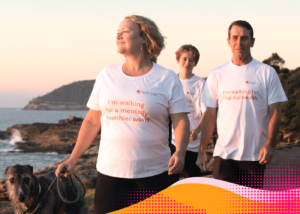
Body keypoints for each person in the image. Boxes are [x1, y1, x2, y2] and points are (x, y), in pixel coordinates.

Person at [55, 15, 190, 214]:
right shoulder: (107, 74)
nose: (118, 35)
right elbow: (92, 120)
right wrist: (73, 158)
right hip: (111, 174)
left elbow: (180, 121)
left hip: (154, 173)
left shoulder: (166, 78)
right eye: (117, 32)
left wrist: (180, 151)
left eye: (125, 31)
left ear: (144, 38)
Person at [196, 20, 287, 189]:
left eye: (244, 38)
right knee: (223, 205)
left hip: (254, 156)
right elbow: (210, 115)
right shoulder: (217, 75)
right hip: (224, 155)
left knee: (249, 206)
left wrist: (270, 144)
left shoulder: (266, 72)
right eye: (235, 37)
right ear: (229, 41)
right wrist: (202, 149)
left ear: (252, 41)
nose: (239, 42)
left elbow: (275, 112)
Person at [170, 45, 206, 180]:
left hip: (193, 144)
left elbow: (206, 113)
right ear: (178, 60)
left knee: (192, 183)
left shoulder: (201, 84)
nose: (187, 63)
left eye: (191, 60)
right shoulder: (171, 81)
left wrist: (197, 130)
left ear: (195, 63)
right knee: (170, 182)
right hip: (173, 142)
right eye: (184, 59)